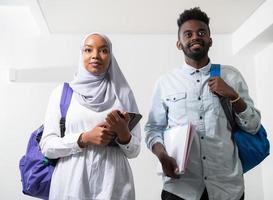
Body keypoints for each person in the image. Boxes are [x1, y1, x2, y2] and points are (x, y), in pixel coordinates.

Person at [145, 7, 261, 200]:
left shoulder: (230, 76)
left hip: (226, 188)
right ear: (179, 44)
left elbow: (253, 125)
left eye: (201, 33)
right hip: (180, 187)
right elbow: (153, 129)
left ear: (210, 40)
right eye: (188, 34)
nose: (195, 37)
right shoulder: (165, 83)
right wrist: (162, 156)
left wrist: (233, 95)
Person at [40, 33, 141, 200]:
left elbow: (134, 151)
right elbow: (47, 146)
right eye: (88, 50)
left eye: (103, 50)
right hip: (71, 185)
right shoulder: (62, 94)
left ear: (110, 56)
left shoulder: (122, 95)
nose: (95, 55)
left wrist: (124, 135)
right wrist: (84, 138)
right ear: (81, 55)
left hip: (114, 185)